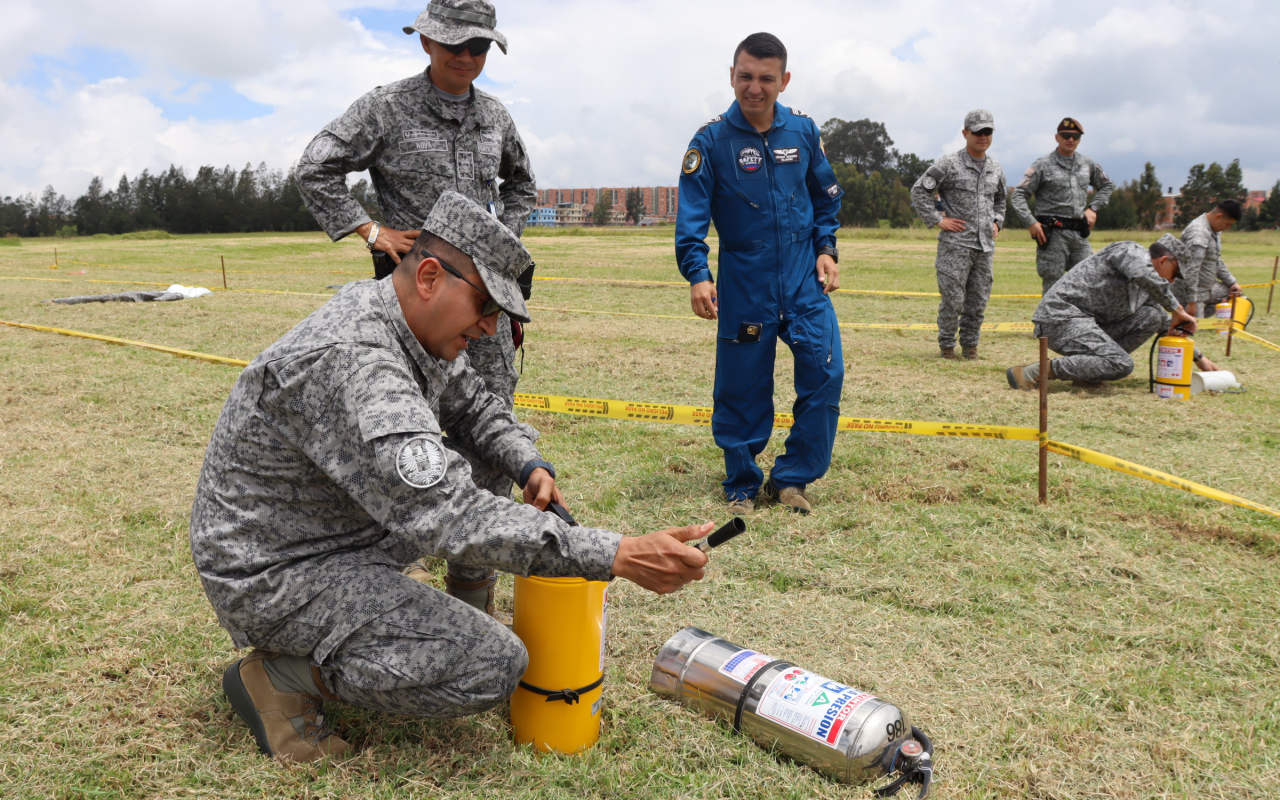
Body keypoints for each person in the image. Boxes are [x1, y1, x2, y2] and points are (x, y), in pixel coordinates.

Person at [191, 192, 712, 763]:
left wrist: (528, 463)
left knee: (484, 455)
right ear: (430, 277)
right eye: (485, 304)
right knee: (490, 664)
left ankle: (450, 610)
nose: (490, 328)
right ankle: (280, 677)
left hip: (336, 533)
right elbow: (446, 513)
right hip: (274, 572)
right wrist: (616, 553)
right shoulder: (358, 360)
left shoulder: (406, 324)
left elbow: (474, 407)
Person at [294, 0, 538, 603]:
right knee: (393, 437)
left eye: (479, 47)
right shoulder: (386, 108)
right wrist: (370, 230)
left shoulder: (495, 116)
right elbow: (315, 167)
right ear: (426, 42)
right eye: (455, 44)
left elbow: (522, 184)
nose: (467, 57)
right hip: (412, 309)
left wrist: (499, 245)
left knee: (487, 439)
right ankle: (384, 573)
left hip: (478, 309)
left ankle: (473, 586)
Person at [675, 32, 845, 516]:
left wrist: (826, 249)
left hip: (803, 280)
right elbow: (691, 217)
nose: (754, 88)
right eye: (745, 76)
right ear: (732, 75)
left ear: (784, 80)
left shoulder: (803, 131)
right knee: (742, 385)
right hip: (745, 282)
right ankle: (742, 484)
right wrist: (698, 273)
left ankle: (792, 478)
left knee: (825, 373)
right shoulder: (710, 142)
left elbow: (826, 198)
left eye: (766, 79)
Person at [1006, 234, 1205, 390]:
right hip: (1060, 318)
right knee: (1121, 364)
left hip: (1087, 323)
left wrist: (1200, 359)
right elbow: (1143, 274)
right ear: (1163, 261)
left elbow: (1163, 320)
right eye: (1176, 274)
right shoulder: (1130, 251)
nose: (1172, 281)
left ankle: (1088, 374)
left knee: (1151, 317)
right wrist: (1177, 308)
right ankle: (1033, 372)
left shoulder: (1148, 287)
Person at [910, 110, 1007, 360]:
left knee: (977, 302)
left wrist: (997, 221)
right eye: (978, 132)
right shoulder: (948, 163)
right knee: (953, 301)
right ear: (965, 133)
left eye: (988, 132)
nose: (983, 137)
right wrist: (938, 219)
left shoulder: (995, 167)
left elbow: (1001, 199)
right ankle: (947, 347)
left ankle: (971, 347)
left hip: (984, 248)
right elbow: (919, 191)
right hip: (956, 246)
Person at [1008, 118, 1115, 293]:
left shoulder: (1087, 164)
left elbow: (1107, 185)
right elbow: (1019, 195)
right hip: (1052, 236)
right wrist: (1030, 223)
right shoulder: (1042, 165)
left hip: (1079, 235)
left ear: (1079, 139)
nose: (1070, 139)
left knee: (1090, 281)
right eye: (1066, 135)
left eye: (1075, 136)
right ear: (1057, 137)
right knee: (1053, 288)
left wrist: (1093, 208)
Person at [1176, 199, 1244, 319]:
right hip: (1190, 293)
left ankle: (1191, 322)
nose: (1228, 228)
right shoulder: (1198, 233)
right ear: (1218, 216)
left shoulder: (1213, 230)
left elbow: (1215, 260)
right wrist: (1191, 303)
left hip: (1205, 289)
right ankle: (1185, 322)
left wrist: (1232, 282)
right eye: (1228, 224)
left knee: (1230, 293)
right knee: (1194, 328)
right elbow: (1191, 270)